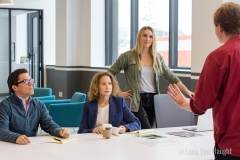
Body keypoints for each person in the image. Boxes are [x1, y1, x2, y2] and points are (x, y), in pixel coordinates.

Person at [167, 2, 240, 159]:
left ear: (219, 27)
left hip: (230, 145)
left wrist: (183, 103)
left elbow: (201, 105)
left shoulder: (218, 57)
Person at [108, 26, 194, 129]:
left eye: (150, 36)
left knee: (147, 134)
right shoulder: (127, 56)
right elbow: (110, 73)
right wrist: (119, 92)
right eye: (144, 35)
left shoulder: (157, 57)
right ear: (139, 37)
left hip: (153, 99)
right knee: (146, 130)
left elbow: (170, 75)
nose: (147, 39)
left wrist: (187, 91)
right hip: (136, 100)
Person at [0, 68, 70, 145]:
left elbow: (48, 124)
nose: (31, 83)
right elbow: (1, 130)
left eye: (31, 80)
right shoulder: (5, 105)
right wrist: (16, 137)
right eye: (26, 81)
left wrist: (60, 131)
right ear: (15, 87)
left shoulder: (39, 104)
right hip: (10, 146)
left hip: (31, 145)